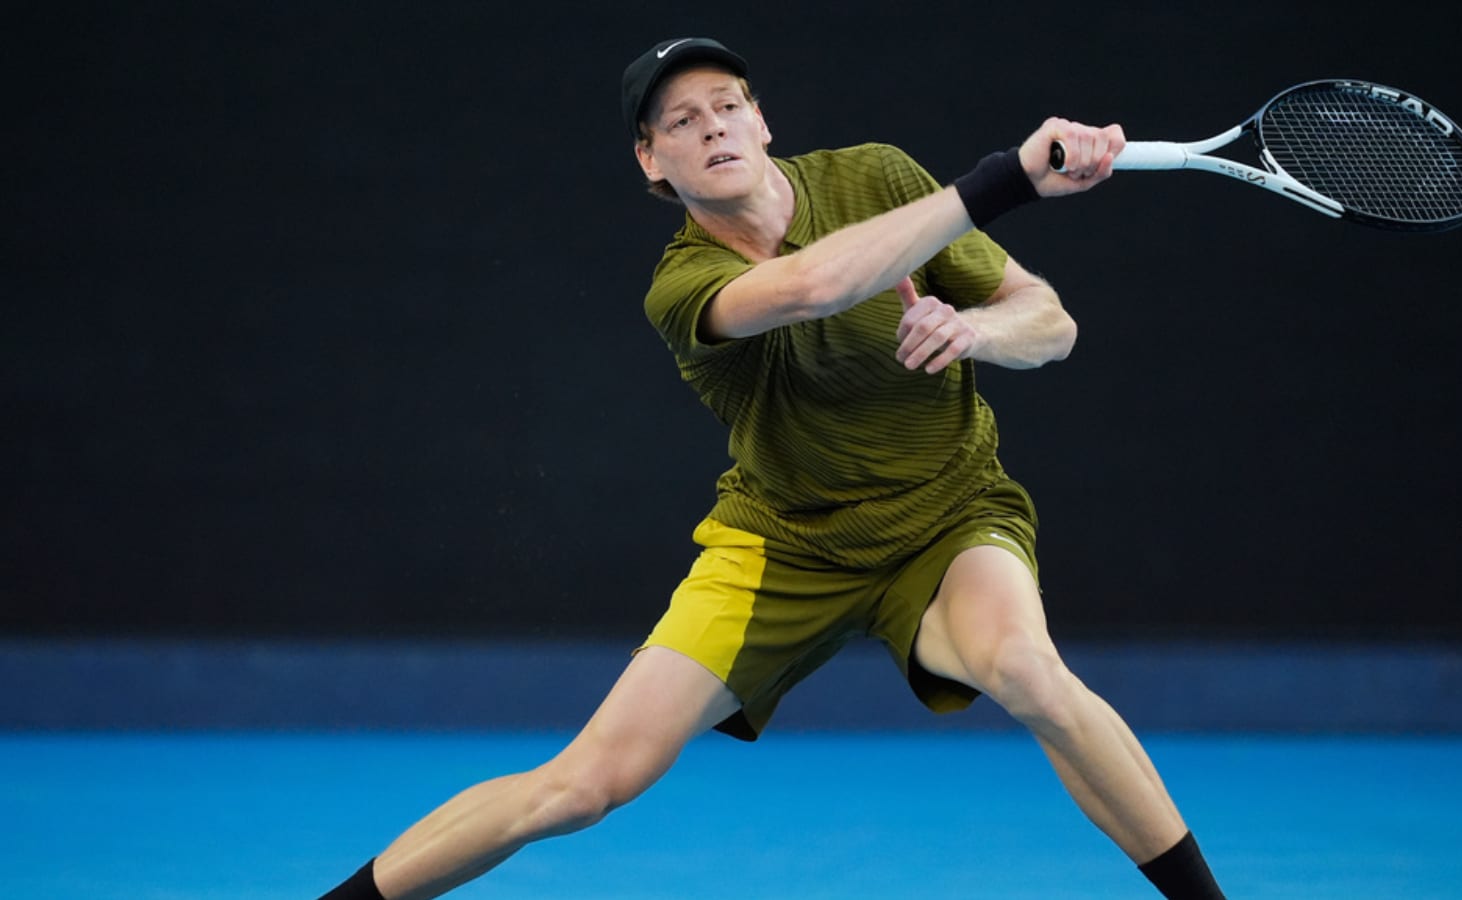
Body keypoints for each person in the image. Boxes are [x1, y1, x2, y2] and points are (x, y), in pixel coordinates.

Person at [319, 36, 1226, 900]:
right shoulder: (681, 286)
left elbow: (1050, 322)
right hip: (779, 545)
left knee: (1028, 671)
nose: (711, 126)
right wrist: (1005, 181)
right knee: (582, 787)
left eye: (726, 106)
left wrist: (975, 327)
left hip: (947, 519)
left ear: (763, 123)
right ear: (651, 162)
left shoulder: (877, 175)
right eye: (680, 121)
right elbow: (813, 287)